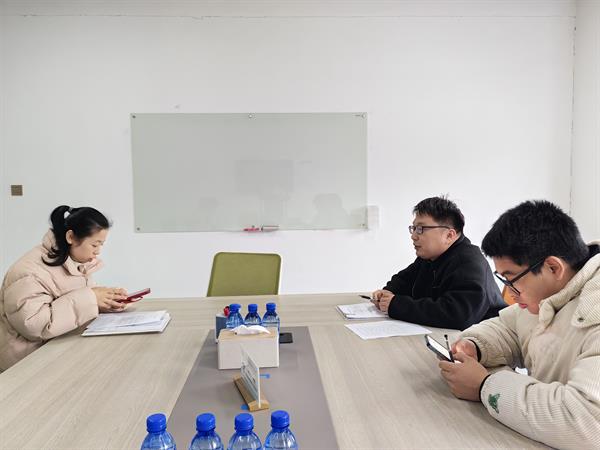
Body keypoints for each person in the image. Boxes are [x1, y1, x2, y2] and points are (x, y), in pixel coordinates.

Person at [439, 200, 600, 449]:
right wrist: (475, 346)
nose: (510, 293)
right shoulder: (549, 294)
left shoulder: (593, 309)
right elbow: (509, 328)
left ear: (553, 267)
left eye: (511, 279)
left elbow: (586, 421)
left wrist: (485, 386)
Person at [0, 205, 128, 371]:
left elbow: (74, 304)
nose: (98, 252)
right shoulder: (29, 272)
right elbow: (33, 325)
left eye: (101, 245)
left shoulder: (74, 263)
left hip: (58, 353)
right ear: (71, 237)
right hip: (26, 365)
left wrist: (107, 301)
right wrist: (91, 298)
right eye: (95, 245)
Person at [372, 196, 505, 330]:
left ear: (449, 235)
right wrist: (387, 292)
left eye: (421, 229)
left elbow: (457, 315)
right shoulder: (430, 256)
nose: (413, 236)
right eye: (414, 228)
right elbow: (405, 279)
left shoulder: (469, 262)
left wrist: (396, 305)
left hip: (485, 337)